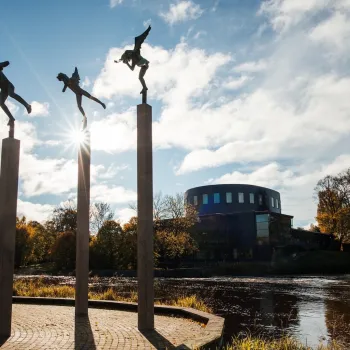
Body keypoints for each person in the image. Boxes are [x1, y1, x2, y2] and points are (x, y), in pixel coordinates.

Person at [115, 25, 151, 94]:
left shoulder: (134, 53)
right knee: (140, 77)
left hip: (145, 64)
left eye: (127, 60)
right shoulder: (133, 60)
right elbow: (132, 68)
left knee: (137, 41)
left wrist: (147, 31)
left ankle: (144, 87)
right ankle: (144, 87)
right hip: (143, 66)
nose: (128, 61)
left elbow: (127, 57)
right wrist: (122, 62)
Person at [0, 61, 31, 125]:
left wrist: (2, 65)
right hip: (3, 90)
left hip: (8, 85)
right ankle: (11, 118)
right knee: (1, 103)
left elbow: (7, 62)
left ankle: (27, 105)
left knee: (11, 94)